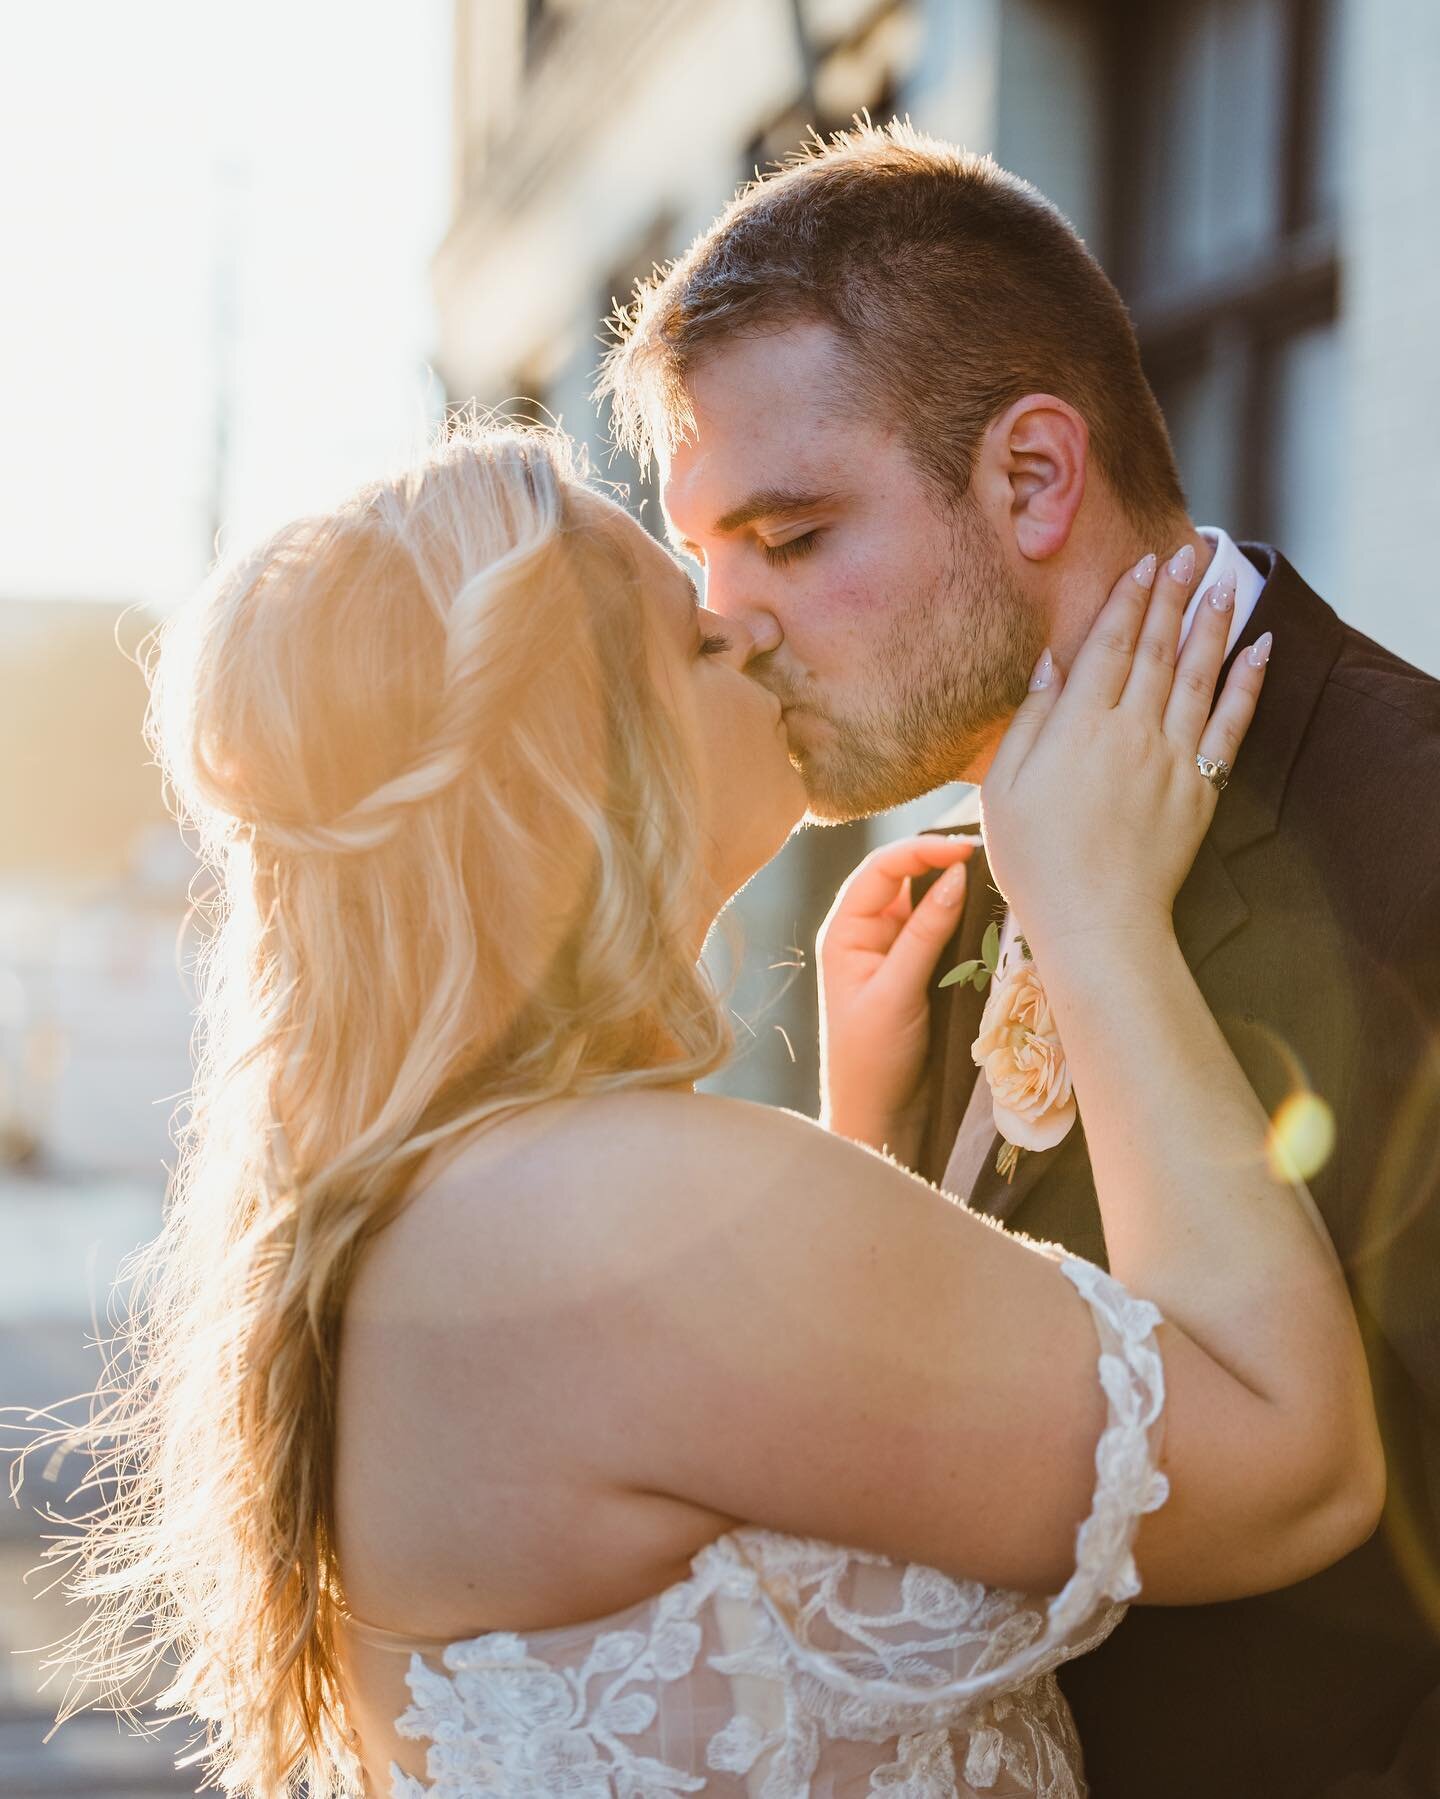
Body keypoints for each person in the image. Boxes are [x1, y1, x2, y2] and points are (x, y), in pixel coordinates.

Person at [28, 422, 1379, 1799]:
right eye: (693, 636)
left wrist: (870, 1145)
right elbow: (1291, 1465)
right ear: (578, 762)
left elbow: (742, 1497)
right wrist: (1097, 918)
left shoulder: (452, 1198)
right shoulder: (626, 1211)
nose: (751, 635)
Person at [601, 121, 1440, 1798]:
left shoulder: (1411, 832)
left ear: (1036, 478)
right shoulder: (948, 896)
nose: (730, 620)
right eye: (707, 555)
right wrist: (883, 1162)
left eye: (792, 533)